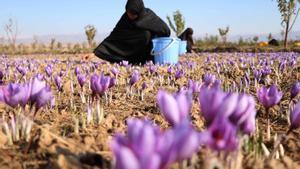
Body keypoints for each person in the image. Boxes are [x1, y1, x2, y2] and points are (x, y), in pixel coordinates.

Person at [94, 0, 171, 64]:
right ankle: (128, 61)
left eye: (133, 14)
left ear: (139, 11)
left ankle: (144, 61)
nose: (130, 16)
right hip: (128, 50)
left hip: (147, 53)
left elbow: (166, 30)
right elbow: (114, 35)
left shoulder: (148, 15)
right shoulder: (125, 18)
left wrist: (154, 36)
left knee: (146, 34)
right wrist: (97, 52)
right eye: (128, 13)